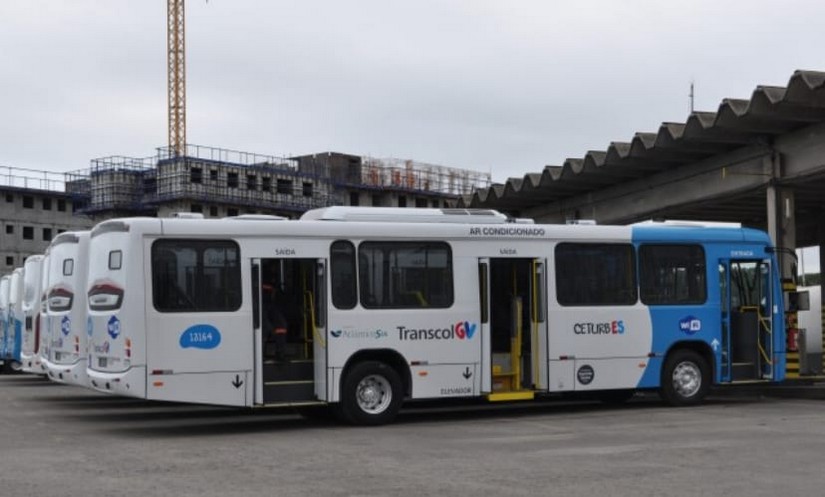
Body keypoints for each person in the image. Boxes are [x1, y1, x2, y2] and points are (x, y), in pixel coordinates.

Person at [261, 284, 288, 361]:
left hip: (270, 305)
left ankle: (280, 353)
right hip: (258, 304)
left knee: (281, 325)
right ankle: (261, 355)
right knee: (265, 328)